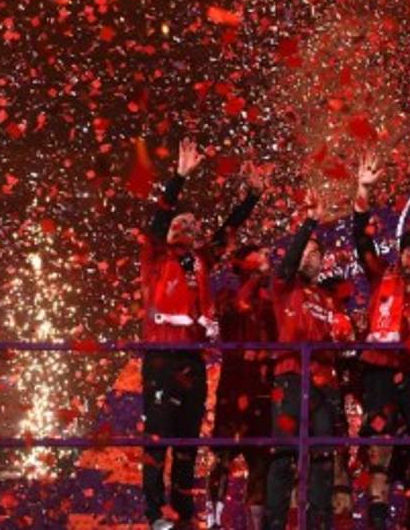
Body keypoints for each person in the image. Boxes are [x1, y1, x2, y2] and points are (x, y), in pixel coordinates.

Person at [140, 139, 258, 530]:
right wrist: (179, 177)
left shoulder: (202, 259)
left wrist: (252, 197)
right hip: (161, 357)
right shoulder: (155, 256)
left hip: (192, 360)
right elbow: (159, 218)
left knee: (188, 441)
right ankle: (155, 514)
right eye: (181, 224)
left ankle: (183, 513)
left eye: (193, 225)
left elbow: (229, 230)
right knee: (158, 437)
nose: (187, 228)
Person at [351, 155, 410, 530]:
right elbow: (361, 240)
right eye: (409, 250)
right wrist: (363, 190)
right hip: (379, 370)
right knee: (379, 451)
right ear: (400, 252)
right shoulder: (381, 275)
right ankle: (377, 522)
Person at [265, 189, 352, 530]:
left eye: (315, 253)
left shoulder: (328, 301)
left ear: (322, 262)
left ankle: (319, 525)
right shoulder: (284, 286)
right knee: (284, 455)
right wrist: (310, 223)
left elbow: (340, 341)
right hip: (290, 376)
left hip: (324, 385)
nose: (308, 257)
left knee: (323, 459)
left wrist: (345, 340)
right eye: (305, 251)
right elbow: (288, 263)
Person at [205, 166, 275, 530]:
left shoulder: (272, 300)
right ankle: (213, 520)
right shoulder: (228, 296)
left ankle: (256, 524)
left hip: (263, 389)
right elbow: (234, 310)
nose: (266, 261)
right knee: (222, 456)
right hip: (234, 386)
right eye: (259, 257)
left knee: (261, 462)